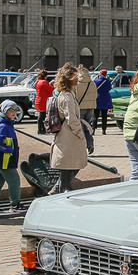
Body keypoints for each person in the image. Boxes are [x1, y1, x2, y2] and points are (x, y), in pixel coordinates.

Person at [49, 63, 88, 193]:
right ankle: (61, 190)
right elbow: (71, 118)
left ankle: (58, 188)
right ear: (67, 79)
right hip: (68, 135)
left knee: (73, 164)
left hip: (69, 136)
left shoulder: (69, 94)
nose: (77, 79)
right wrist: (79, 132)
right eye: (74, 76)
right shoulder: (66, 96)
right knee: (68, 165)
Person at [77, 65, 98, 154]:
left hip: (80, 107)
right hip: (91, 107)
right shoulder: (92, 83)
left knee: (78, 128)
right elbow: (95, 95)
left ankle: (81, 147)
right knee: (87, 127)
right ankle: (90, 144)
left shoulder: (77, 83)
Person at [34, 69, 54, 135]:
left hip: (39, 100)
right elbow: (50, 89)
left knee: (41, 116)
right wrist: (52, 84)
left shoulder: (38, 81)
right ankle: (41, 129)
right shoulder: (44, 82)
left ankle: (41, 129)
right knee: (43, 116)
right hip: (43, 101)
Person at [94, 70, 113, 135]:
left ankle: (93, 129)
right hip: (105, 99)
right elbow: (110, 88)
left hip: (97, 98)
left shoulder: (95, 81)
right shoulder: (108, 82)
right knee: (104, 115)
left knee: (95, 115)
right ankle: (104, 130)